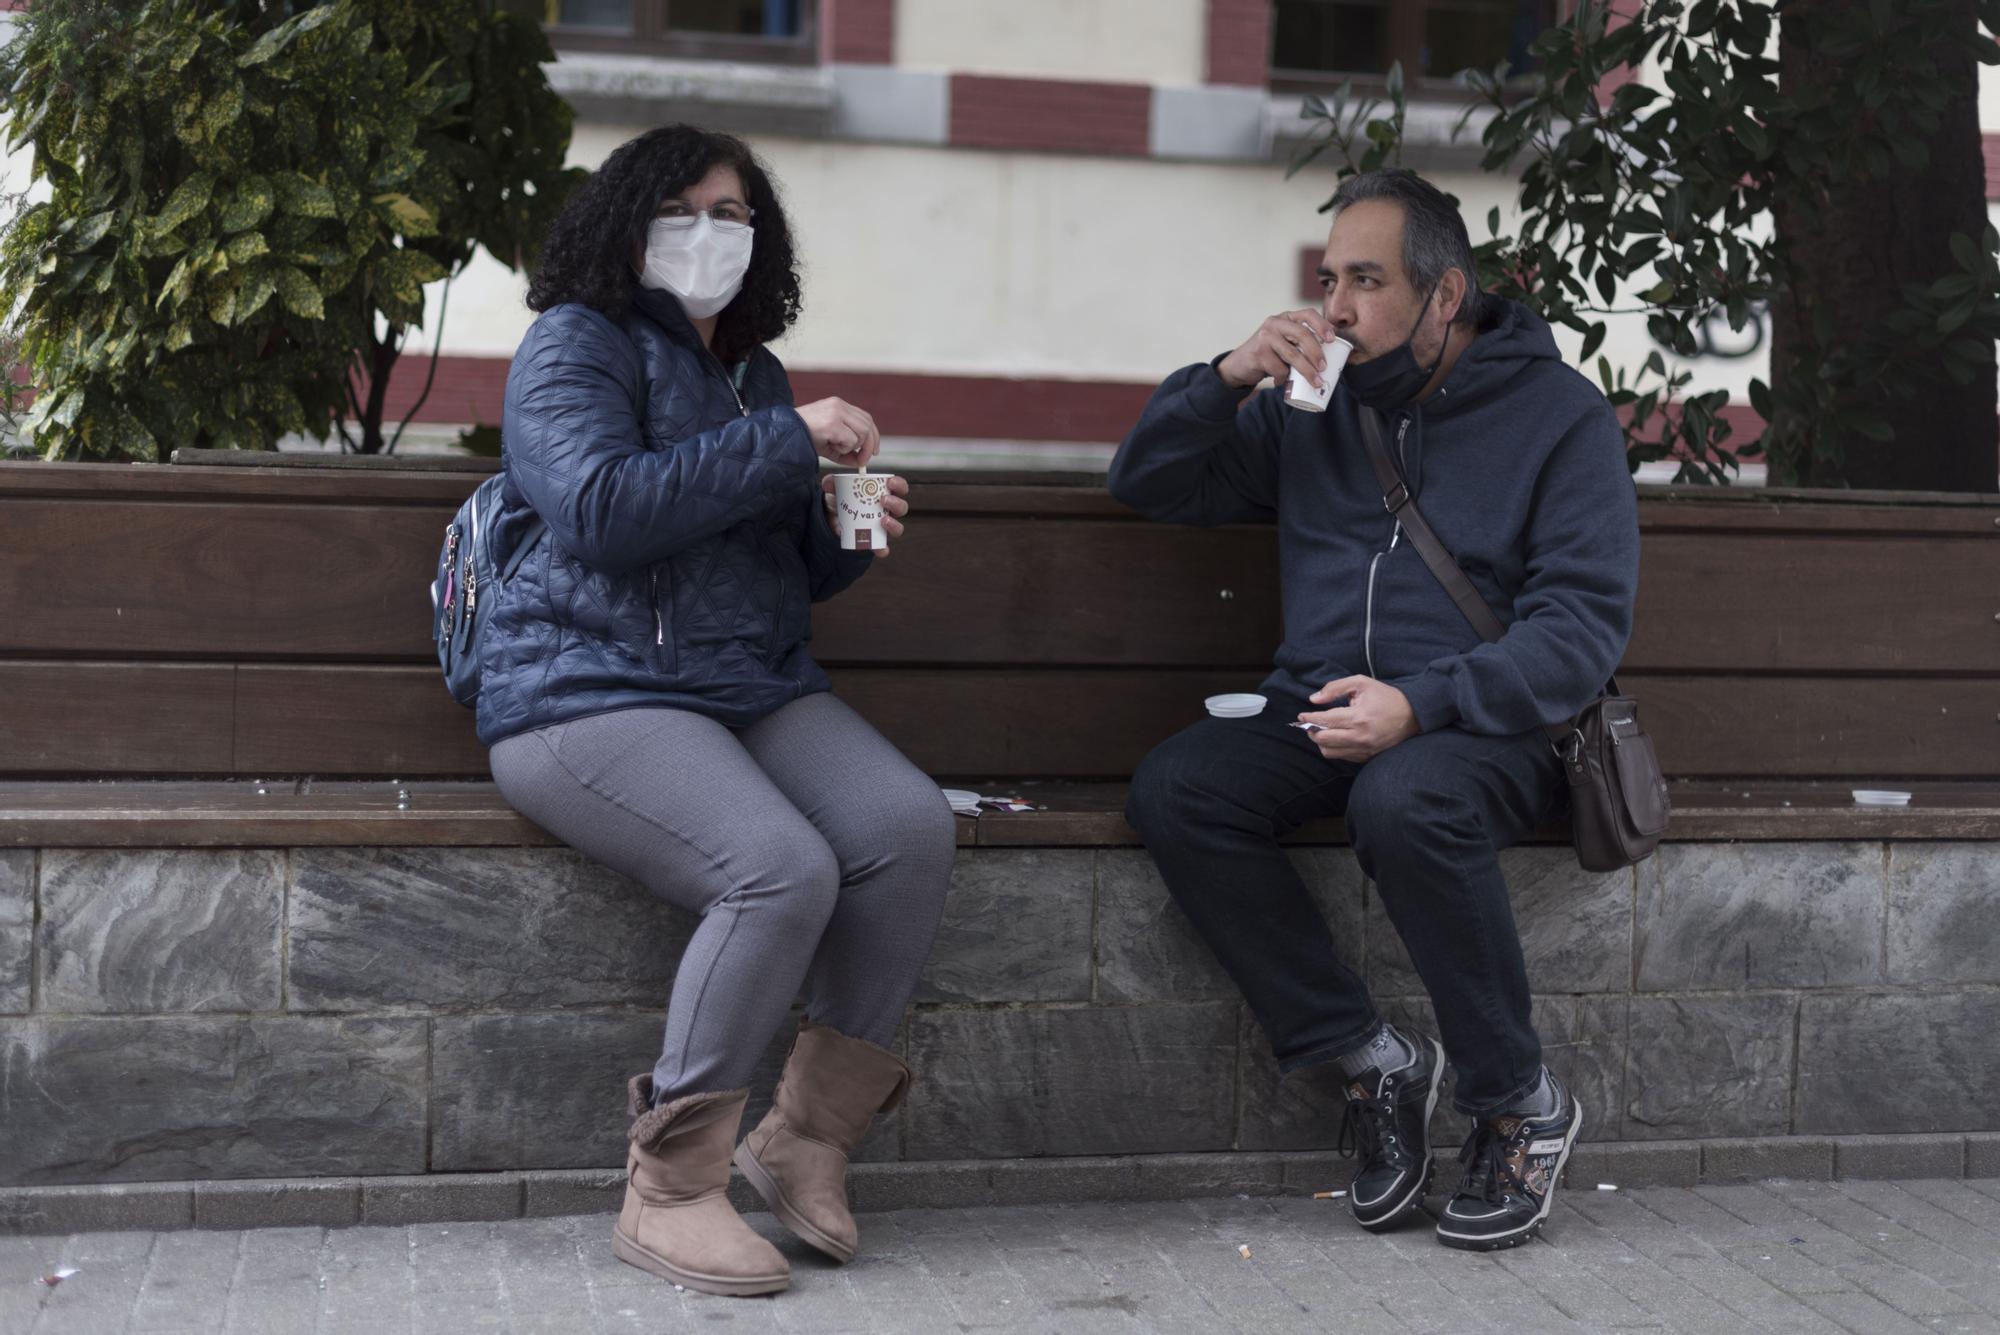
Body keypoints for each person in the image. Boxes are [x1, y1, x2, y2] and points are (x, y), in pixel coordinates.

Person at [1110, 168, 1639, 1252]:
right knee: (1180, 789)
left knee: (1404, 802)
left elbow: (1578, 632)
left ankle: (1517, 1104)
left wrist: (1422, 701)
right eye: (1326, 279)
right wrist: (1225, 376)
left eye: (1365, 280)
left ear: (1442, 297)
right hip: (1320, 702)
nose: (1335, 307)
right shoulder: (1316, 407)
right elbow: (1149, 484)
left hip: (1485, 725)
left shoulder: (1558, 419)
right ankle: (1368, 1061)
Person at [480, 124, 957, 1296]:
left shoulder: (753, 371)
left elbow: (771, 569)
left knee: (904, 828)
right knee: (776, 868)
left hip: (742, 685)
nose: (710, 234)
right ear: (624, 222)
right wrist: (781, 442)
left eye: (733, 215)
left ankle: (805, 1138)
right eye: (683, 210)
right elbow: (599, 511)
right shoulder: (571, 348)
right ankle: (672, 1189)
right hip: (579, 691)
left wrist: (846, 530)